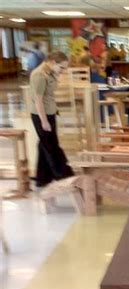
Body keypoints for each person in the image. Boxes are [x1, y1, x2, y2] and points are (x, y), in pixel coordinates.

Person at [30, 51, 74, 188]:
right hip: (41, 115)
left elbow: (49, 94)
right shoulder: (39, 75)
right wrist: (44, 121)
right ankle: (64, 176)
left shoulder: (49, 72)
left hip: (50, 113)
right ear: (53, 62)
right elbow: (38, 100)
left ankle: (42, 178)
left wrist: (56, 73)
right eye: (61, 67)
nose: (63, 71)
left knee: (44, 145)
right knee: (51, 146)